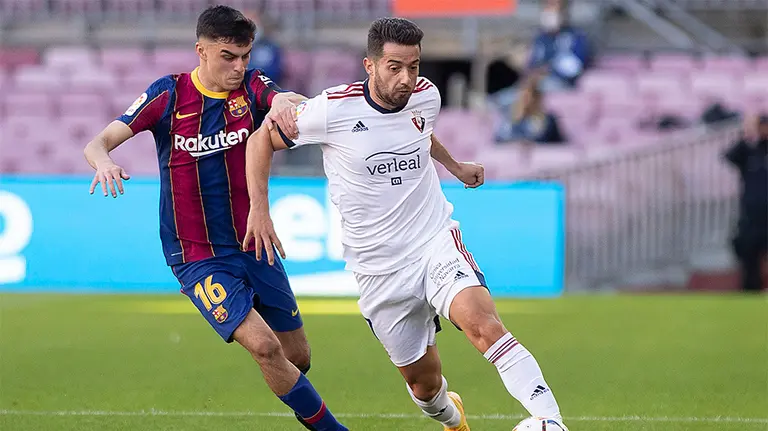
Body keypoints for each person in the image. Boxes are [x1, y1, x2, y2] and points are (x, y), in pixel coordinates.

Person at [244, 17, 566, 431]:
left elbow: (420, 133)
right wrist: (260, 209)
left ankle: (550, 420)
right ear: (370, 66)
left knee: (482, 324)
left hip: (433, 239)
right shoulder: (330, 110)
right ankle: (452, 419)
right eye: (394, 67)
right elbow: (258, 141)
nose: (407, 78)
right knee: (424, 387)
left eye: (413, 66)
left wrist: (455, 166)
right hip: (378, 268)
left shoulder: (425, 95)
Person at [83, 6, 348, 430]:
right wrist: (103, 162)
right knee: (264, 347)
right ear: (201, 51)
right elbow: (98, 142)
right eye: (228, 56)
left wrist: (285, 101)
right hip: (196, 254)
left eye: (245, 56)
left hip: (252, 243)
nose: (239, 66)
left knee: (297, 357)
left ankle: (295, 396)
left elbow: (278, 97)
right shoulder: (168, 95)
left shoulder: (252, 88)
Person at [724, 114, 768, 292]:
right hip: (751, 215)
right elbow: (729, 156)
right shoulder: (749, 151)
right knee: (749, 256)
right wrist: (747, 135)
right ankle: (751, 291)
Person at [495, 77, 565, 144]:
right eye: (522, 96)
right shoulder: (509, 120)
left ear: (537, 99)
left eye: (528, 97)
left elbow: (556, 145)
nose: (524, 101)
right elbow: (499, 141)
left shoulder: (548, 120)